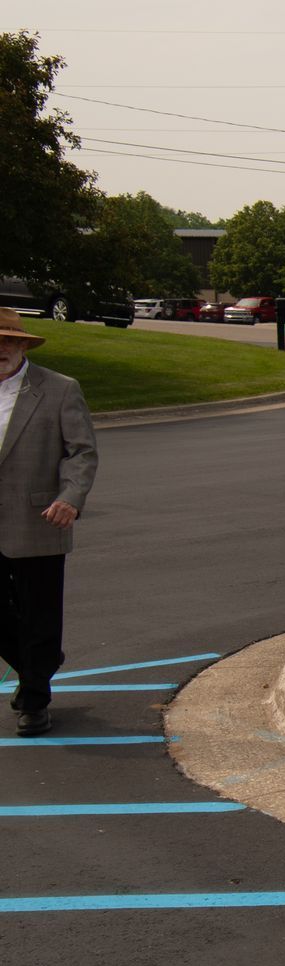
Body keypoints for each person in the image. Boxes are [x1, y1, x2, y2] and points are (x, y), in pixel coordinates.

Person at [0, 310, 97, 739]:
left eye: (8, 341)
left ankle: (34, 701)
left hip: (39, 517)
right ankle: (40, 663)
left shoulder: (59, 389)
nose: (1, 349)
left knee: (40, 613)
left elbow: (81, 452)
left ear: (23, 345)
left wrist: (69, 497)